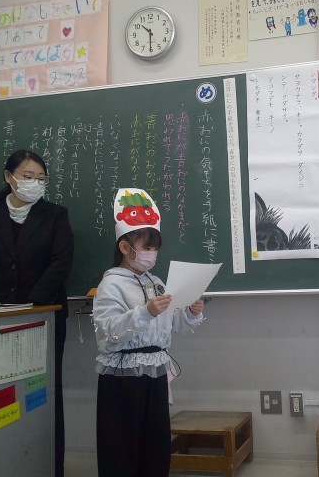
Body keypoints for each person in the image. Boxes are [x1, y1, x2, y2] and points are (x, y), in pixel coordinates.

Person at [0, 149, 74, 477]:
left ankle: (49, 467)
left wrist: (31, 306)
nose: (35, 183)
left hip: (43, 319)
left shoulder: (55, 215)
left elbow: (60, 264)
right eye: (28, 177)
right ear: (9, 177)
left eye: (41, 179)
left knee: (43, 394)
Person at [91, 187, 205, 477]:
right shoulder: (110, 285)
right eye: (146, 247)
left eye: (154, 248)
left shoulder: (156, 282)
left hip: (155, 371)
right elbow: (109, 330)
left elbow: (171, 324)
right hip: (122, 375)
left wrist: (190, 313)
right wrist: (146, 312)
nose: (151, 254)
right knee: (122, 446)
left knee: (155, 443)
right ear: (125, 247)